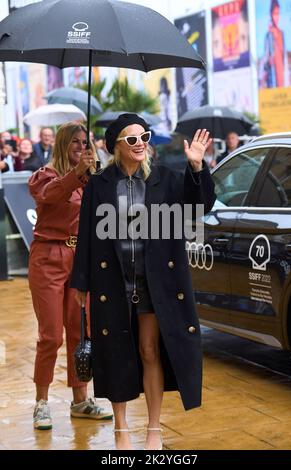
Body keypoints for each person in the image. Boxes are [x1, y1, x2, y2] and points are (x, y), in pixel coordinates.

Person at [71, 113, 216, 450]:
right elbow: (87, 236)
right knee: (116, 352)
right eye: (132, 139)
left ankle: (154, 429)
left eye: (144, 136)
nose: (141, 144)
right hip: (112, 282)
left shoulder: (166, 179)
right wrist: (80, 280)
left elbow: (198, 208)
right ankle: (121, 428)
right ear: (117, 146)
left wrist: (196, 167)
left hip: (154, 284)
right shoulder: (99, 183)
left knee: (150, 350)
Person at [28, 121, 113, 431]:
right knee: (50, 335)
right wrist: (77, 176)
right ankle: (41, 403)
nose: (80, 147)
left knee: (81, 333)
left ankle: (81, 400)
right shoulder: (45, 175)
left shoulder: (89, 178)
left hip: (80, 259)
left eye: (84, 142)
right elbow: (50, 195)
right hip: (48, 258)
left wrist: (95, 174)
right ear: (62, 144)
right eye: (75, 142)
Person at [261, 0, 287, 88]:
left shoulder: (281, 33)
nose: (277, 17)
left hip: (282, 74)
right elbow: (265, 57)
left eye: (278, 13)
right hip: (272, 75)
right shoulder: (268, 35)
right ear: (271, 14)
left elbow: (284, 55)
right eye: (275, 14)